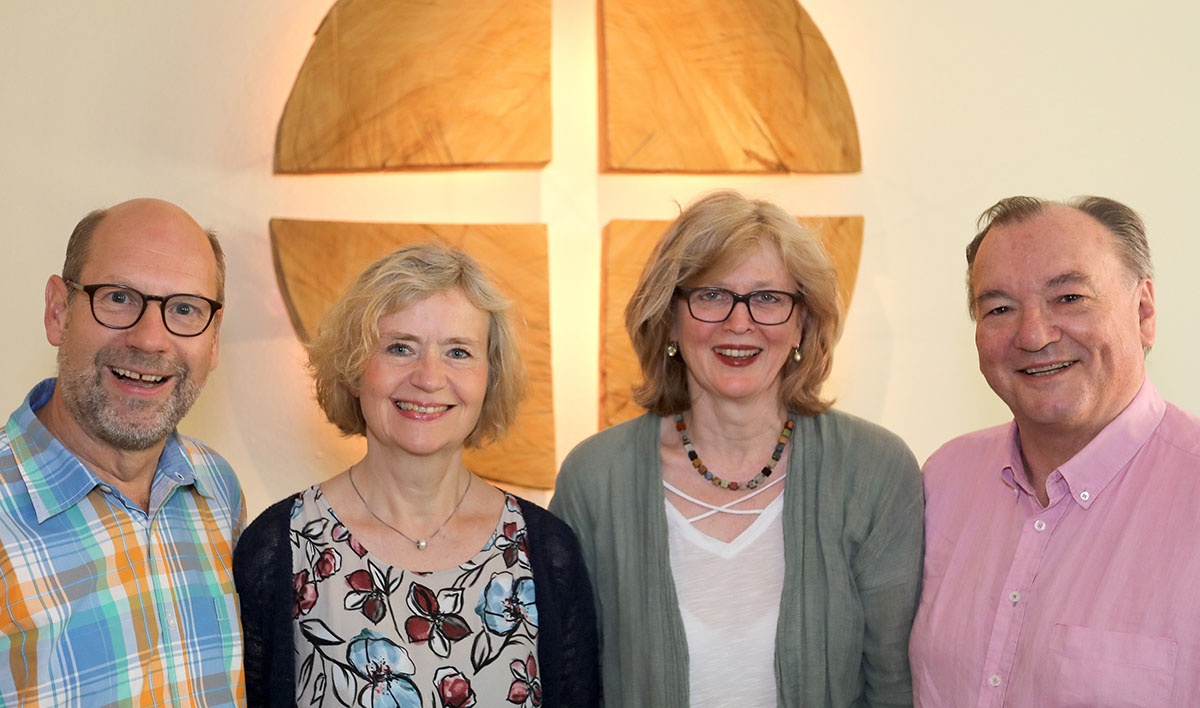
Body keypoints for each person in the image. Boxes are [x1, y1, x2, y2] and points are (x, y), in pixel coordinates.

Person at [552, 190, 924, 707]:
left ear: (802, 323)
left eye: (768, 298)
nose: (739, 323)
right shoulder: (595, 478)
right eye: (711, 295)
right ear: (670, 318)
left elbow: (892, 686)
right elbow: (570, 684)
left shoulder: (874, 471)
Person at [234, 243, 599, 707]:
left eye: (459, 352)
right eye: (400, 348)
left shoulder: (547, 553)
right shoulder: (278, 548)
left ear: (491, 378)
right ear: (354, 368)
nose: (429, 378)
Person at [909, 195, 1200, 706]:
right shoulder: (942, 481)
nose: (1034, 335)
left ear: (1144, 311)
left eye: (1069, 299)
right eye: (999, 308)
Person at [0, 198, 244, 705]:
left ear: (214, 339)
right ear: (58, 312)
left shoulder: (219, 490)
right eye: (118, 297)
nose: (150, 339)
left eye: (184, 308)